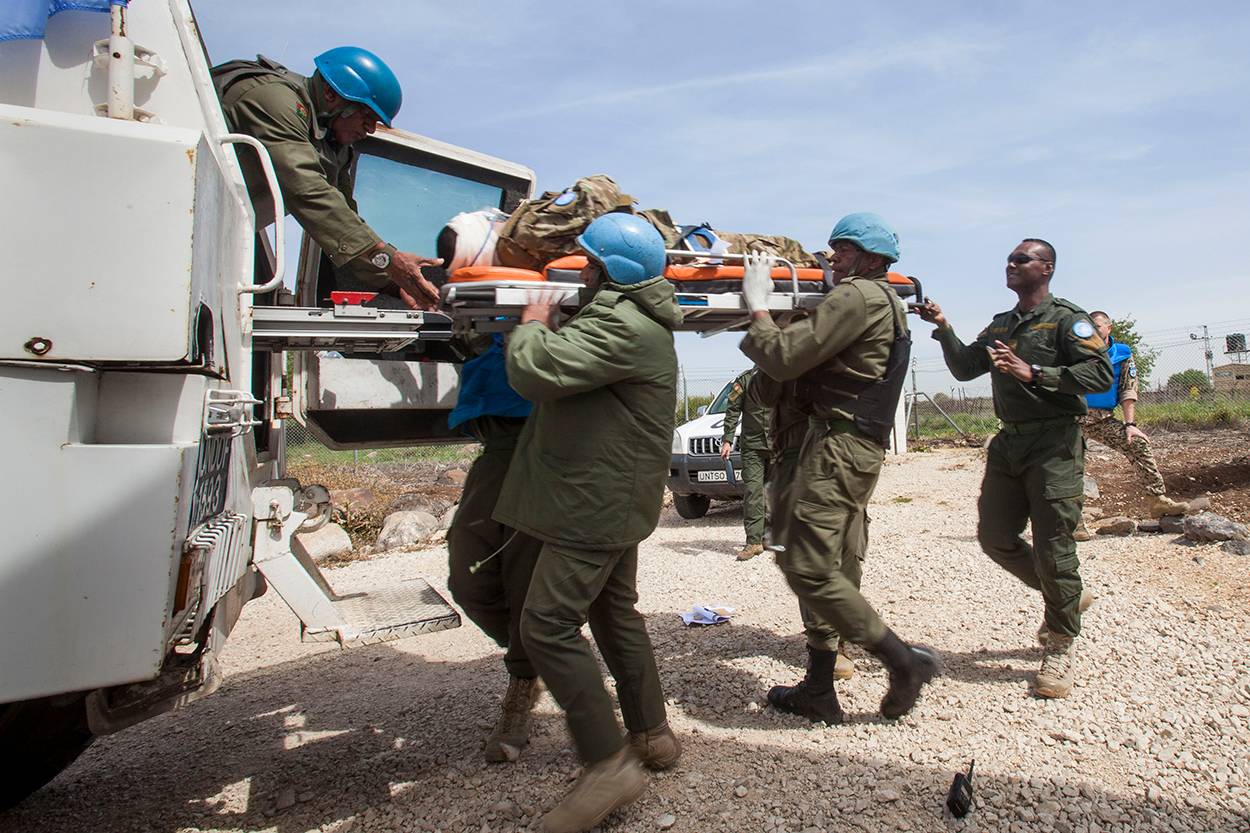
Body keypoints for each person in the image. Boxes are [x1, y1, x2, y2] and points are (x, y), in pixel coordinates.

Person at [492, 213, 682, 833]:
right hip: (611, 498)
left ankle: (607, 766)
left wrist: (531, 322)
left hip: (595, 506)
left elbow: (534, 372)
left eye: (590, 264)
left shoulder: (622, 324)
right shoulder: (633, 320)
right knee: (614, 613)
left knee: (547, 626)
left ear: (607, 272)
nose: (583, 271)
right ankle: (652, 736)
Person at [739, 212, 938, 726]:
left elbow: (783, 359)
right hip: (835, 443)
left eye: (842, 249)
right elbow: (778, 379)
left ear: (870, 258)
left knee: (808, 565)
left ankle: (903, 662)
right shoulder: (877, 301)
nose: (832, 257)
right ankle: (819, 689)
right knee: (803, 557)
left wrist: (758, 306)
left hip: (839, 445)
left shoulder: (858, 296)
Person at [916, 238, 1112, 699]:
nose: (1011, 263)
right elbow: (966, 368)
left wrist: (1035, 373)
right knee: (995, 538)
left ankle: (1059, 643)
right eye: (1009, 258)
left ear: (1047, 268)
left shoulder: (1067, 319)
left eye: (1022, 259)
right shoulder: (1002, 323)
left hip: (1055, 444)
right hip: (1009, 443)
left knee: (1054, 546)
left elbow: (1100, 375)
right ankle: (1066, 596)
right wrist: (943, 328)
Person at [212, 47, 442, 308]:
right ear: (331, 95)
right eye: (366, 116)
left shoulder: (333, 147)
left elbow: (342, 220)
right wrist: (390, 260)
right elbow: (306, 188)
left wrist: (396, 284)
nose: (369, 130)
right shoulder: (274, 99)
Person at [444, 330, 545, 764]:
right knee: (468, 577)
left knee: (524, 580)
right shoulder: (484, 299)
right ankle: (546, 651)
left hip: (542, 435)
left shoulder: (552, 299)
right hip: (495, 441)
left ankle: (522, 683)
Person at [753, 368, 860, 680]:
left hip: (844, 451)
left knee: (849, 552)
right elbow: (763, 392)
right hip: (796, 455)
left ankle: (841, 633)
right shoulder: (783, 349)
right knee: (811, 554)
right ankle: (824, 644)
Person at [1080, 311, 1188, 523]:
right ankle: (1073, 521)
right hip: (1070, 419)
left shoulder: (1122, 354)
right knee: (1069, 466)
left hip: (1101, 419)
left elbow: (1128, 389)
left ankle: (1157, 500)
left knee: (1138, 444)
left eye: (1098, 326)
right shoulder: (1076, 351)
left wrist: (1130, 424)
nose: (1093, 330)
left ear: (1109, 328)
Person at [719, 367, 771, 560]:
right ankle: (754, 542)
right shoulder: (744, 380)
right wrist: (727, 439)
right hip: (752, 446)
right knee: (753, 492)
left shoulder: (785, 376)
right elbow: (732, 409)